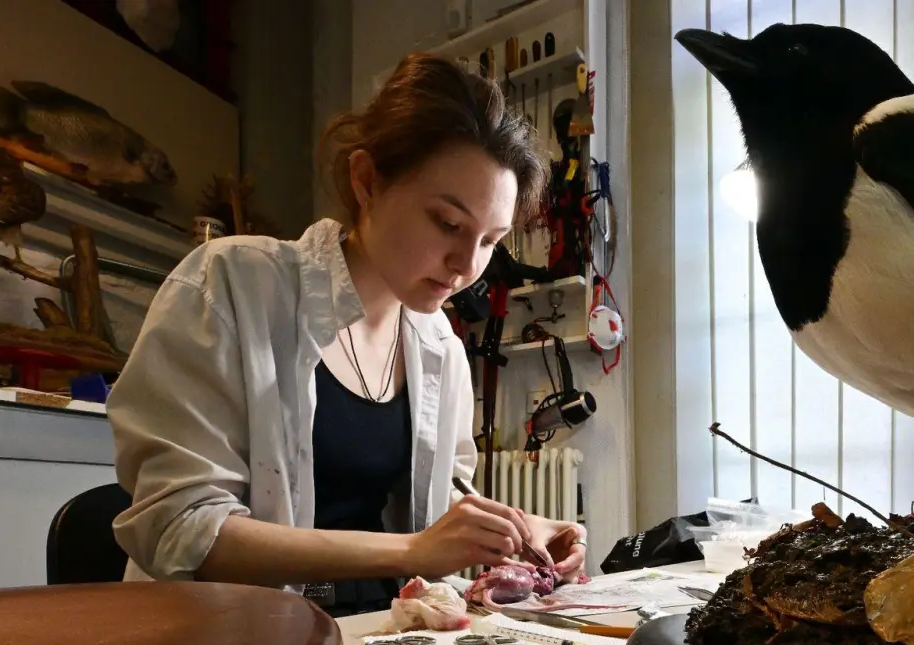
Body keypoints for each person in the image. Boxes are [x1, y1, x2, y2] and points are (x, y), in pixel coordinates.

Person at [107, 53, 587, 615]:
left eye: (489, 241)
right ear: (367, 182)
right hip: (230, 642)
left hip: (382, 631)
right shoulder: (231, 284)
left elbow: (436, 502)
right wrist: (410, 549)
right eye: (448, 224)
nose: (464, 265)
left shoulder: (440, 348)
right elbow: (181, 527)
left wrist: (512, 527)